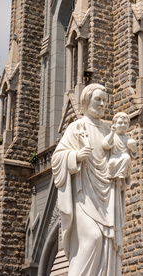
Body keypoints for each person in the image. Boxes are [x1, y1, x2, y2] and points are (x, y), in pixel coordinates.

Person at [51, 84, 124, 276]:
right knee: (92, 238)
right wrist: (76, 156)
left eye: (105, 101)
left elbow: (117, 157)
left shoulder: (109, 130)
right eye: (97, 99)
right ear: (86, 101)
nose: (102, 104)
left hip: (106, 195)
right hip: (83, 194)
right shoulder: (77, 127)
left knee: (106, 246)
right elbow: (57, 158)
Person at [102, 112, 137, 181]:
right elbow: (105, 145)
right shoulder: (113, 136)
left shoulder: (128, 139)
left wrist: (133, 149)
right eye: (120, 123)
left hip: (125, 162)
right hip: (113, 160)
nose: (123, 125)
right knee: (117, 161)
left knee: (127, 157)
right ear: (114, 124)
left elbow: (132, 155)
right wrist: (112, 132)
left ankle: (121, 174)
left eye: (125, 123)